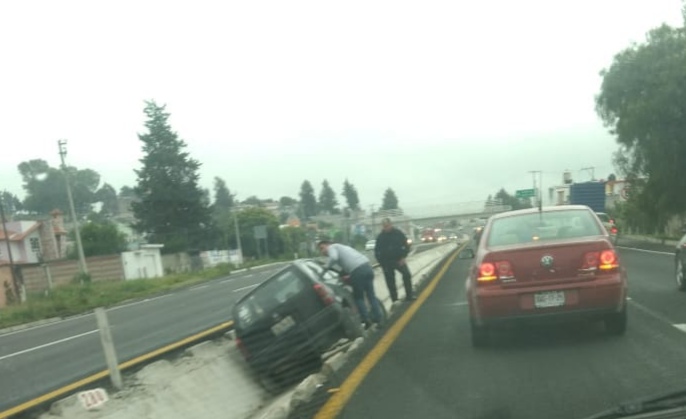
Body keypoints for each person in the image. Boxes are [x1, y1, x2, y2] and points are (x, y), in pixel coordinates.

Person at [318, 240, 382, 329]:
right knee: (371, 295)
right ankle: (379, 319)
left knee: (359, 298)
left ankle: (367, 320)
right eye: (320, 250)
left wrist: (325, 267)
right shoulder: (344, 247)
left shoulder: (333, 247)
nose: (322, 251)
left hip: (357, 271)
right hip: (367, 267)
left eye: (322, 248)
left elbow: (334, 258)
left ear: (328, 245)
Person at [375, 218, 414, 302]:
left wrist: (403, 257)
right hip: (387, 263)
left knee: (407, 275)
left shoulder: (398, 233)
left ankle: (409, 295)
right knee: (390, 282)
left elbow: (406, 245)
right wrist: (382, 263)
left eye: (388, 225)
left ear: (391, 224)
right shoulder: (380, 237)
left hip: (399, 260)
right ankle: (394, 299)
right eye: (384, 226)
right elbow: (377, 251)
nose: (386, 228)